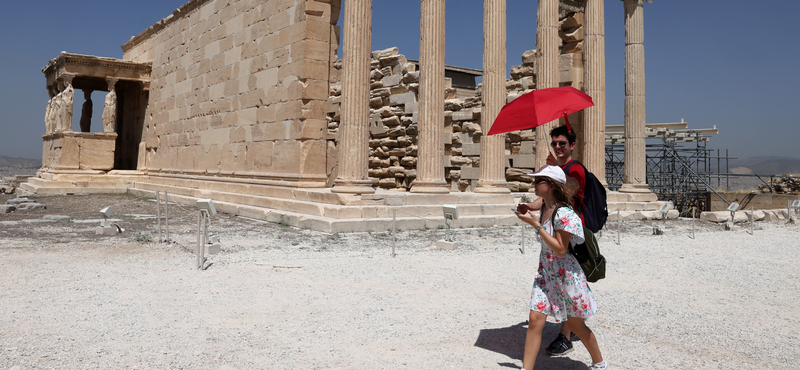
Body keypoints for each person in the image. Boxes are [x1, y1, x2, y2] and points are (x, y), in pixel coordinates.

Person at [515, 165, 607, 370]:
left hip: (566, 276)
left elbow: (561, 249)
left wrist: (535, 226)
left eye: (539, 180)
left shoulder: (563, 212)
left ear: (551, 185)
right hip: (546, 273)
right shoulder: (545, 208)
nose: (534, 183)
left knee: (575, 325)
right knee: (535, 320)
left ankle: (600, 363)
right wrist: (529, 212)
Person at [519, 124, 588, 356]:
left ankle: (567, 337)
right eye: (555, 143)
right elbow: (547, 197)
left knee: (567, 287)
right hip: (554, 225)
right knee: (559, 285)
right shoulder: (557, 167)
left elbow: (568, 188)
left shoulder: (575, 168)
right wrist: (530, 205)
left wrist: (555, 172)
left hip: (570, 228)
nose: (558, 147)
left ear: (572, 146)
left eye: (562, 143)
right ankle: (569, 331)